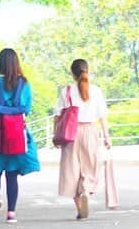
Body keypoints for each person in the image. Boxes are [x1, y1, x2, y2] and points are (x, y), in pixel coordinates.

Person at [0, 48, 40, 223]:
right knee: (12, 174)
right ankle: (11, 214)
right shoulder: (24, 83)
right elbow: (27, 108)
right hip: (16, 132)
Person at [54, 58, 111, 220]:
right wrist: (107, 136)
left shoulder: (66, 91)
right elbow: (102, 115)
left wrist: (55, 135)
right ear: (88, 70)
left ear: (72, 73)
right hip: (90, 131)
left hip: (70, 133)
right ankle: (86, 190)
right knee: (90, 167)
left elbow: (57, 116)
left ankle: (80, 209)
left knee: (71, 170)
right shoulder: (96, 91)